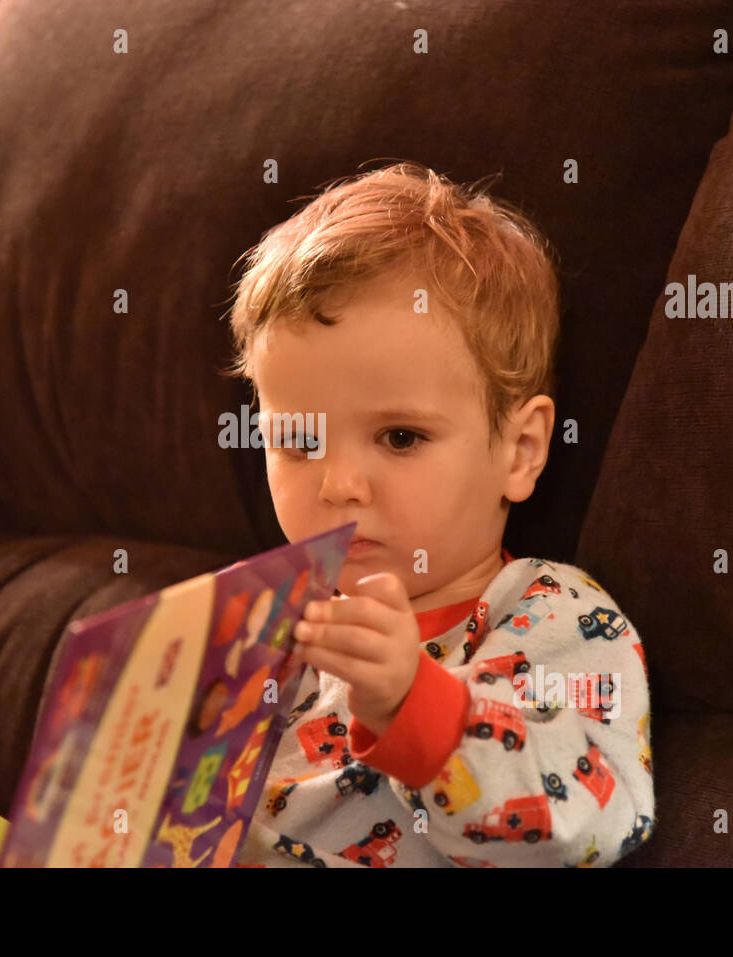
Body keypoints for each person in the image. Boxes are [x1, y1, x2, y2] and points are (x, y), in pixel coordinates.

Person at [220, 161, 654, 867]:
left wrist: (411, 705)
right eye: (298, 440)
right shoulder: (268, 623)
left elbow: (588, 822)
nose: (339, 485)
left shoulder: (554, 617)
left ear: (520, 450)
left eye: (400, 437)